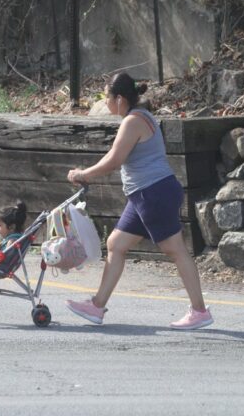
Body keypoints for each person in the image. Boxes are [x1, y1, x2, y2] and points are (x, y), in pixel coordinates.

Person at [65, 72, 213, 330]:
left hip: (153, 193)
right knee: (116, 244)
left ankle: (199, 311)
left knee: (175, 250)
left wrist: (83, 174)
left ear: (120, 99)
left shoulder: (133, 121)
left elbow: (114, 159)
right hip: (145, 194)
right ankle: (97, 307)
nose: (105, 102)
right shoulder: (141, 116)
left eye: (106, 97)